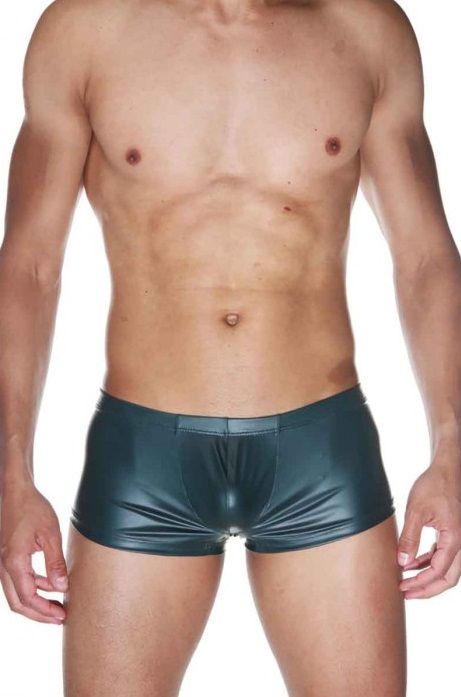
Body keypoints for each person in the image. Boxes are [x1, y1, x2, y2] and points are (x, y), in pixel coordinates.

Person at [0, 0, 460, 694]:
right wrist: (12, 475)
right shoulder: (85, 29)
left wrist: (452, 450)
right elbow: (29, 268)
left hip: (322, 453)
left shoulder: (364, 28)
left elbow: (425, 258)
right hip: (142, 458)